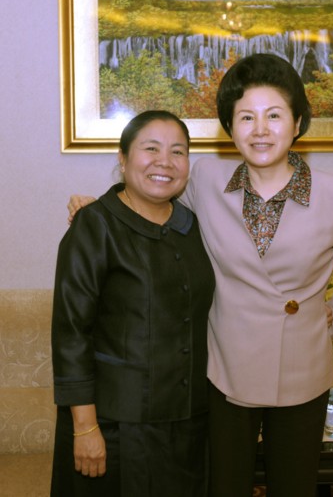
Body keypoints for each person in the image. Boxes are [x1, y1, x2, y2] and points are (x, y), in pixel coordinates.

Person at [67, 53, 333, 497]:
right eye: (246, 117)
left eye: (274, 116)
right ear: (230, 129)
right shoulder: (207, 179)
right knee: (224, 487)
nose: (260, 129)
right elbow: (155, 185)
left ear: (297, 123)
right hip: (226, 368)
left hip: (302, 368)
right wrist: (101, 207)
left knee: (295, 487)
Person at [51, 110, 215, 497]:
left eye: (178, 151)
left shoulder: (194, 227)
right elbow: (71, 333)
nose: (165, 161)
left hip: (189, 427)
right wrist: (85, 428)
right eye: (151, 148)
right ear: (122, 159)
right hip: (114, 429)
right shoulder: (95, 226)